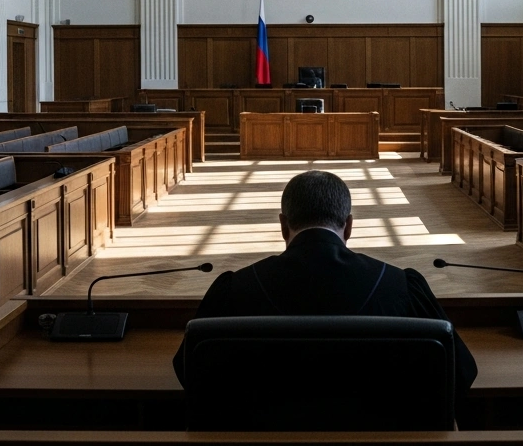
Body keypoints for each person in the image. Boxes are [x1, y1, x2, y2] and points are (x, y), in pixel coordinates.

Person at [172, 169, 478, 397]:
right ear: (348, 226)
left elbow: (190, 372)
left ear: (282, 225)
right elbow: (461, 373)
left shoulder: (235, 289)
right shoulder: (400, 286)